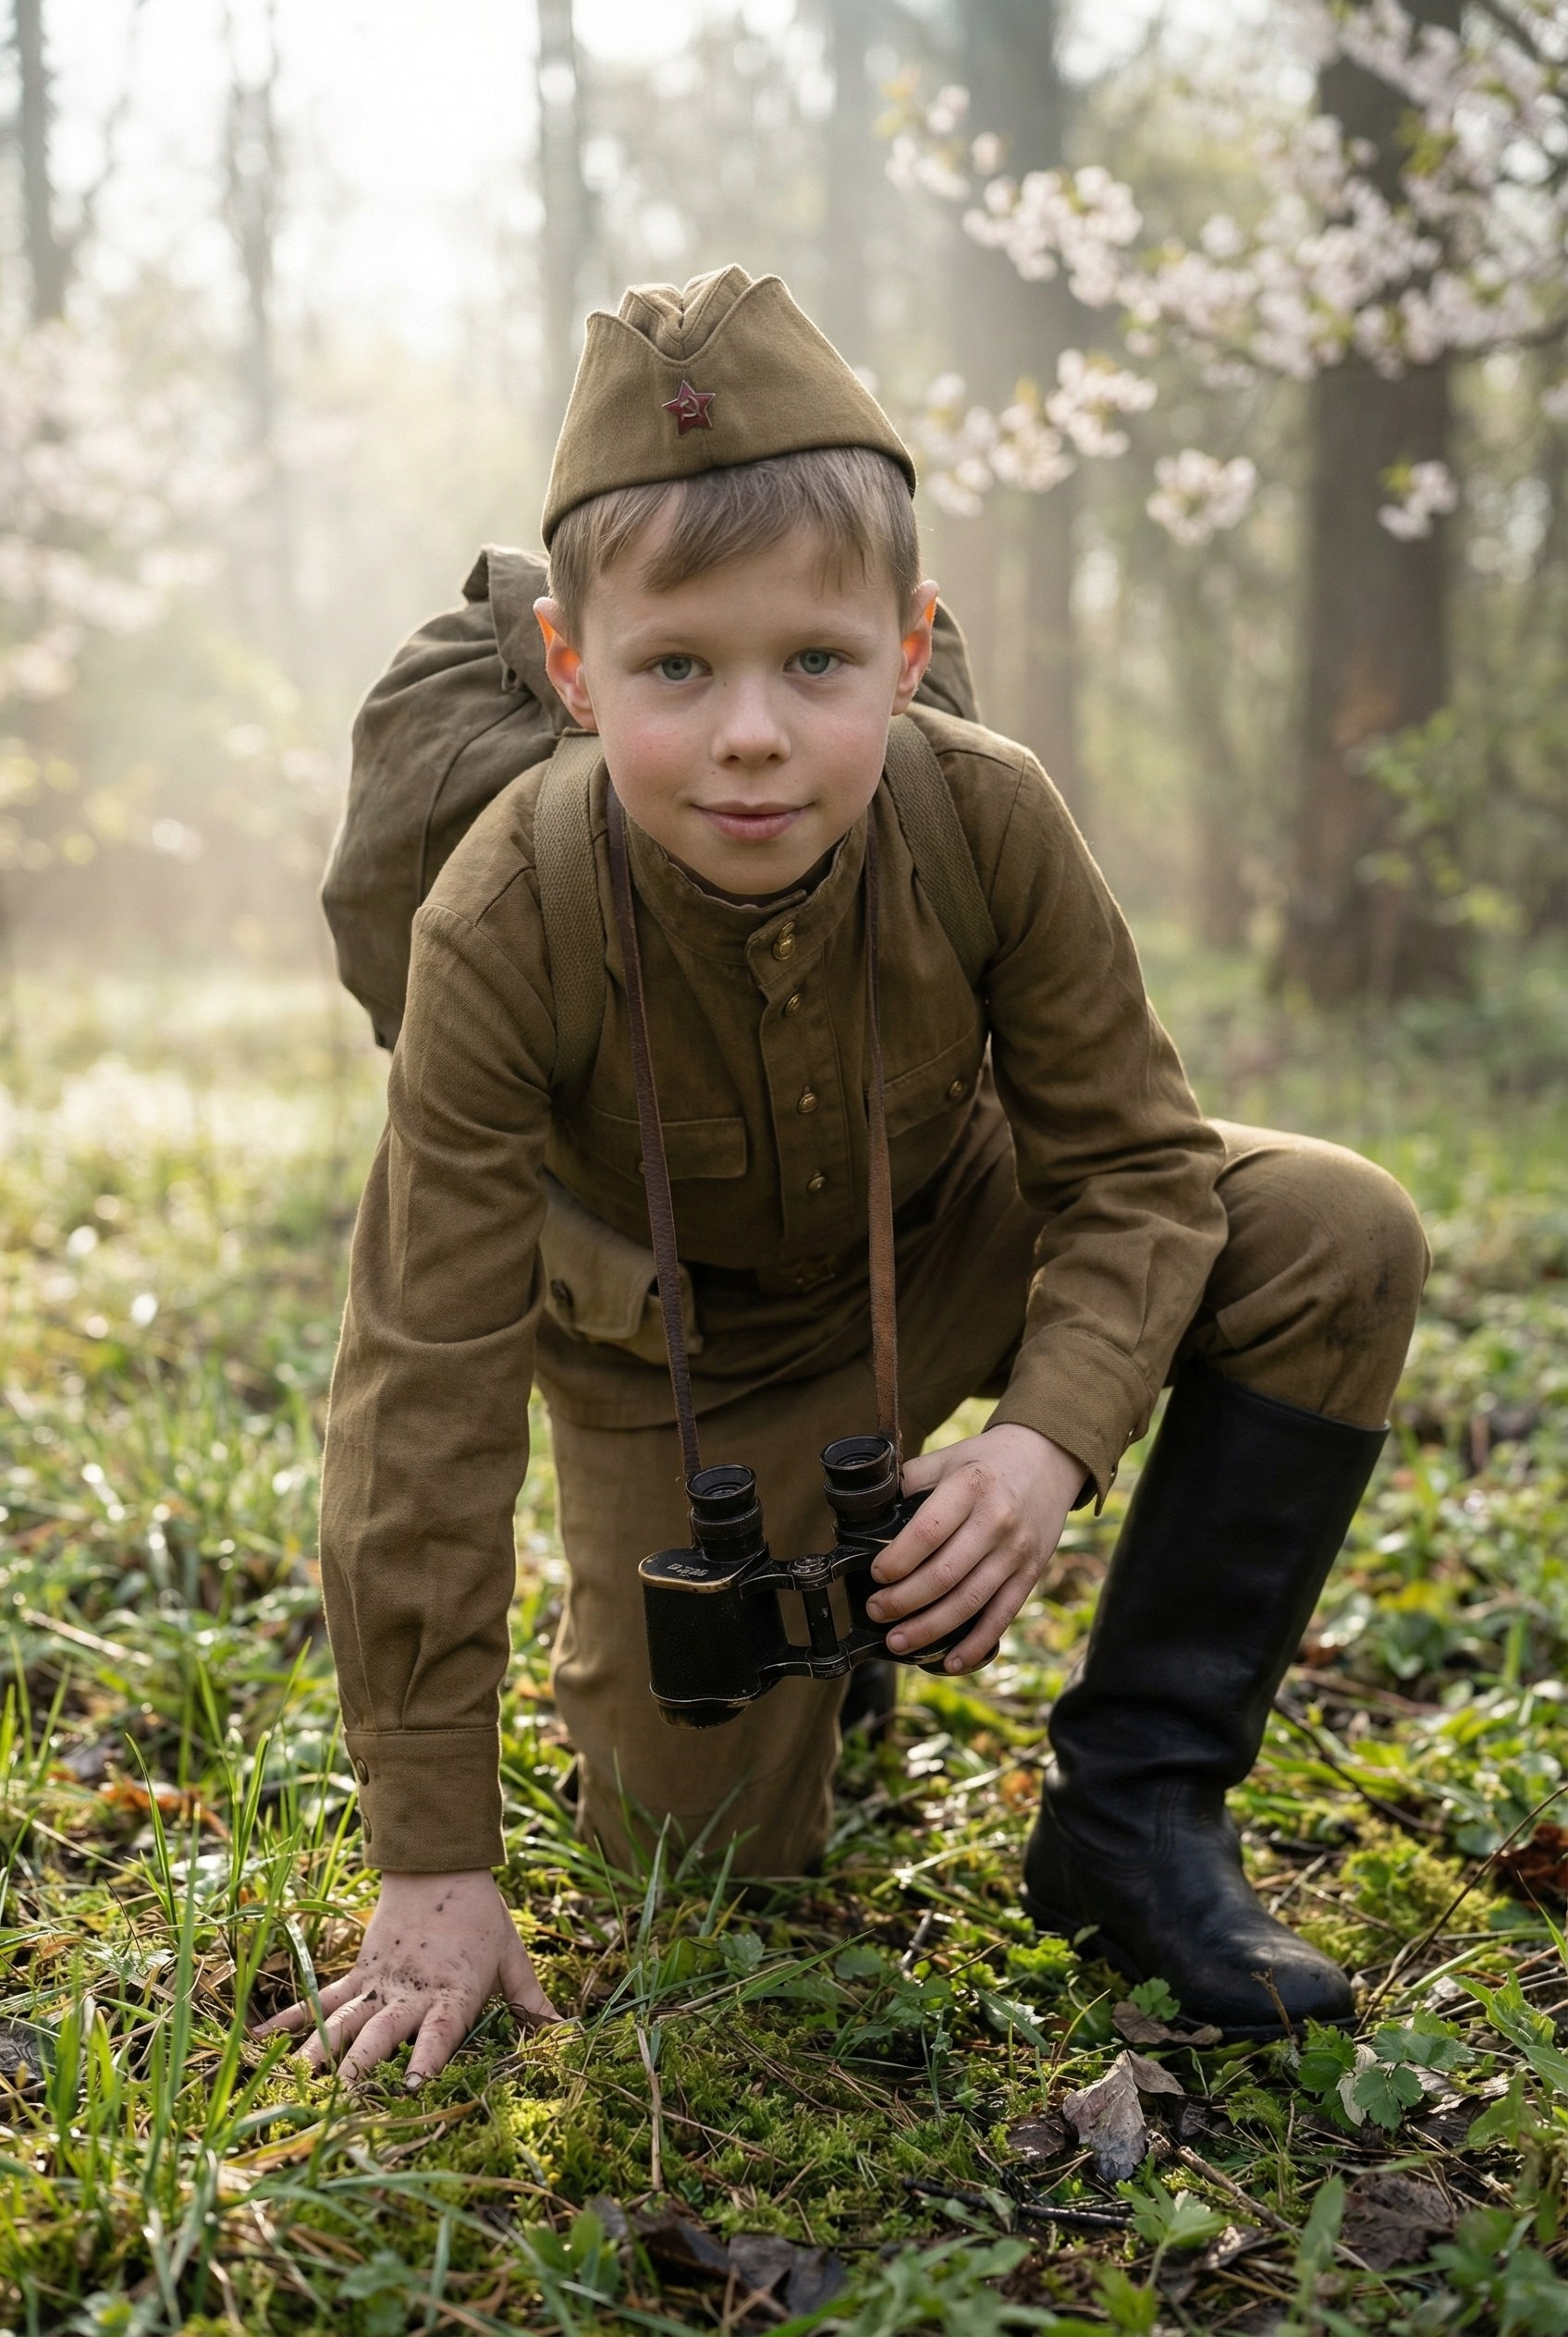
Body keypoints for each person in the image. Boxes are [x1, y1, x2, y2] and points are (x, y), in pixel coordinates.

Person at [256, 265, 1428, 2086]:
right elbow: (423, 1381)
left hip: (948, 1246)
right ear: (572, 671)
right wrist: (432, 1860)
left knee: (1332, 1228)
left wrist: (1043, 1441)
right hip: (684, 1364)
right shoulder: (501, 911)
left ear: (906, 642)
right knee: (708, 1864)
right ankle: (819, 1611)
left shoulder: (984, 810)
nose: (753, 733)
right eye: (676, 667)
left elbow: (1136, 1168)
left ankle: (1135, 1811)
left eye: (815, 661)